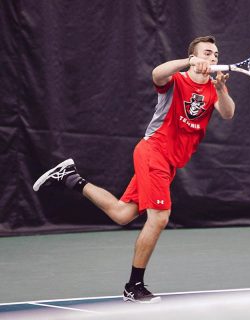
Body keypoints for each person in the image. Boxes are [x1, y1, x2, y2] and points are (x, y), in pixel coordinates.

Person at [33, 35, 235, 303]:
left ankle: (70, 177)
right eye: (207, 53)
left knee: (122, 213)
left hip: (170, 162)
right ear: (194, 56)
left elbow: (228, 113)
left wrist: (221, 89)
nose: (213, 58)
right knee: (160, 217)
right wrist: (188, 62)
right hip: (154, 152)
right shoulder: (176, 81)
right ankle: (134, 286)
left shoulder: (212, 87)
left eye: (216, 55)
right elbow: (157, 73)